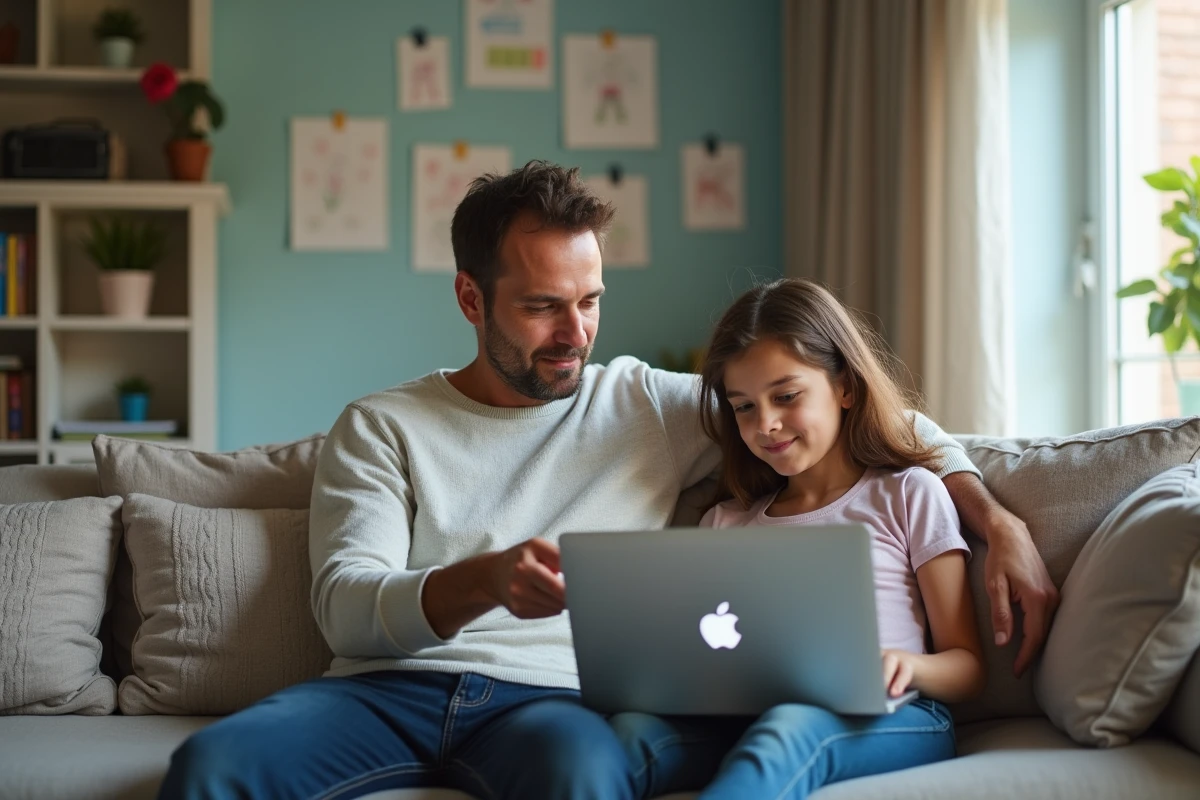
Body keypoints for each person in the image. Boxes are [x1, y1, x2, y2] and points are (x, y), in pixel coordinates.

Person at [158, 162, 1056, 800]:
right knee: (210, 768)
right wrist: (484, 580)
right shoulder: (382, 426)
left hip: (549, 704)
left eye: (589, 302)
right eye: (542, 307)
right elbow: (346, 609)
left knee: (589, 774)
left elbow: (871, 423)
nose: (575, 334)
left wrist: (995, 520)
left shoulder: (646, 405)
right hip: (381, 692)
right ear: (472, 300)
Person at [611, 278, 987, 799]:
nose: (765, 423)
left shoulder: (908, 494)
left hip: (897, 715)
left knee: (787, 730)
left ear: (845, 388)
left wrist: (907, 664)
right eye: (744, 406)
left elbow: (967, 667)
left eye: (786, 397)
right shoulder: (724, 522)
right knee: (630, 734)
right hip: (751, 716)